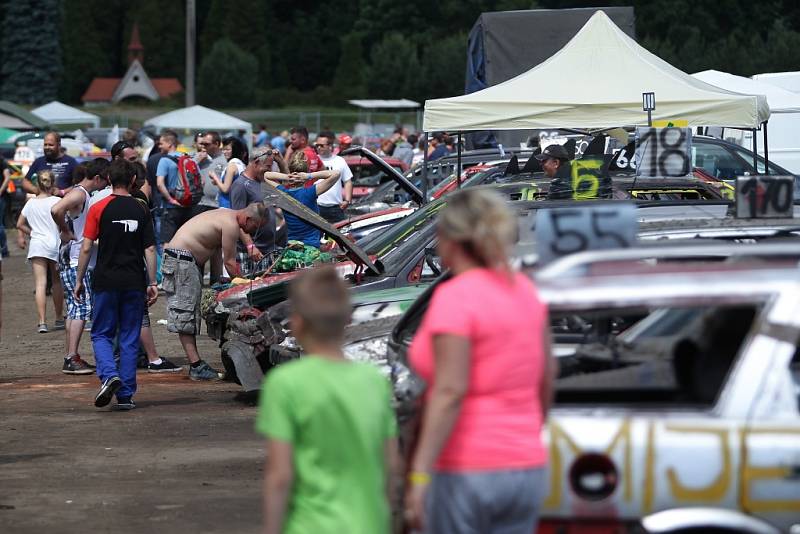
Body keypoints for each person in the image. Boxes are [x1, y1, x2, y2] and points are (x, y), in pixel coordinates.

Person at [405, 189, 554, 533]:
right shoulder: (525, 291)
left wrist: (420, 472)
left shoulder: (455, 297)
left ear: (453, 240)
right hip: (526, 467)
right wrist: (526, 433)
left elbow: (450, 391)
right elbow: (547, 375)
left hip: (464, 467)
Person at [257, 265, 398, 534]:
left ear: (297, 322)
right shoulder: (375, 382)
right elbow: (391, 466)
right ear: (347, 318)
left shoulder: (285, 384)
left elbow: (280, 475)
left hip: (311, 525)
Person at [74, 159, 158, 411]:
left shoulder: (98, 207)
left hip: (106, 281)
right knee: (130, 337)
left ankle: (109, 375)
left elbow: (87, 246)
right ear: (134, 181)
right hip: (134, 281)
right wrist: (152, 282)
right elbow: (150, 248)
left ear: (109, 180)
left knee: (101, 333)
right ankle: (125, 396)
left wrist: (78, 279)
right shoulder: (141, 209)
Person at [163, 203, 267, 380]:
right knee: (185, 313)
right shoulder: (231, 224)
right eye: (253, 228)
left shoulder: (227, 214)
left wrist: (219, 280)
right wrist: (245, 284)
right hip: (181, 261)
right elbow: (230, 262)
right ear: (248, 219)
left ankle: (196, 364)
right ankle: (196, 366)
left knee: (190, 312)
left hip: (187, 261)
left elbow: (216, 252)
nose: (250, 233)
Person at [51, 158, 111, 375]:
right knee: (81, 308)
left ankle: (72, 355)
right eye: (105, 181)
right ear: (97, 178)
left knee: (75, 309)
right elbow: (57, 209)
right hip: (76, 259)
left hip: (73, 258)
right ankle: (71, 357)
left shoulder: (81, 194)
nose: (105, 185)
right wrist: (65, 230)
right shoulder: (80, 193)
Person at [15, 170, 65, 333]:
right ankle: (58, 318)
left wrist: (32, 233)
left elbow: (19, 224)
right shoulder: (57, 201)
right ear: (53, 183)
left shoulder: (30, 203)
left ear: (38, 184)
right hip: (54, 243)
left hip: (37, 244)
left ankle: (42, 322)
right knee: (56, 282)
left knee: (40, 284)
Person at [265, 151, 341, 248]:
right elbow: (336, 173)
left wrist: (288, 177)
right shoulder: (311, 192)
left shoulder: (284, 194)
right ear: (307, 171)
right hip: (312, 247)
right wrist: (308, 176)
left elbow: (266, 176)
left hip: (292, 246)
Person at [230, 147, 286, 275]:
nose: (270, 170)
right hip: (252, 251)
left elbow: (286, 184)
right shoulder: (241, 185)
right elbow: (238, 220)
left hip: (268, 249)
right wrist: (250, 246)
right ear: (256, 162)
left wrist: (281, 162)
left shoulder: (264, 181)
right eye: (267, 166)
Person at [155, 131, 195, 244]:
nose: (159, 146)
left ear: (169, 143)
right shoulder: (186, 158)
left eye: (161, 143)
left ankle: (167, 262)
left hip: (171, 207)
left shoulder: (164, 160)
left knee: (167, 241)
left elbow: (159, 183)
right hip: (187, 204)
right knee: (185, 241)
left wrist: (170, 199)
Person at [313, 132, 353, 223]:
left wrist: (347, 200)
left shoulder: (340, 160)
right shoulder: (313, 160)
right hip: (316, 206)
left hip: (336, 208)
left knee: (338, 235)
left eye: (322, 145)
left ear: (330, 146)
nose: (318, 147)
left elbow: (348, 181)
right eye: (317, 145)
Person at [210, 136, 248, 209]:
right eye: (223, 149)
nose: (224, 152)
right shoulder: (241, 164)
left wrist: (215, 177)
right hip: (238, 206)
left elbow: (225, 189)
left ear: (235, 150)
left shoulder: (231, 165)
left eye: (227, 149)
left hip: (227, 206)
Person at [0, 154, 11, 257]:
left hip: (1, 197)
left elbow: (7, 178)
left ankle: (4, 250)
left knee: (0, 225)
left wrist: (0, 191)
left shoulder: (2, 161)